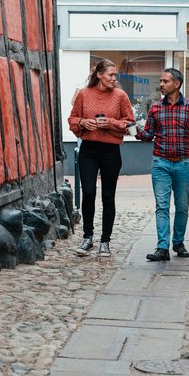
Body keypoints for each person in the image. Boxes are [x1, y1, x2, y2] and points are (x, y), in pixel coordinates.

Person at [136, 67, 189, 261]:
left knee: (182, 206)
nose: (161, 84)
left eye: (165, 81)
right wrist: (133, 130)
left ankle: (178, 243)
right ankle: (162, 248)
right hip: (161, 164)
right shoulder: (156, 108)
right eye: (160, 81)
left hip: (183, 164)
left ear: (177, 84)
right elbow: (148, 134)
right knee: (162, 206)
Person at [68, 60, 135, 257]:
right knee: (88, 192)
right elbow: (72, 119)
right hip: (88, 149)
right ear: (99, 75)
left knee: (108, 196)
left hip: (111, 152)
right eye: (111, 75)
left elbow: (131, 125)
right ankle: (87, 237)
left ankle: (105, 241)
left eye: (115, 75)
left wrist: (111, 123)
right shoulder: (83, 94)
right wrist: (83, 122)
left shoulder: (120, 96)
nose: (114, 78)